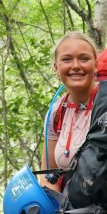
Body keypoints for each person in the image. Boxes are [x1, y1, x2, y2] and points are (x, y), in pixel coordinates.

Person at [41, 31, 99, 192]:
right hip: (72, 212)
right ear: (56, 67)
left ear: (96, 64)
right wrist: (57, 212)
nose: (75, 66)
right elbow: (48, 174)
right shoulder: (57, 112)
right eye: (66, 59)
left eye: (84, 59)